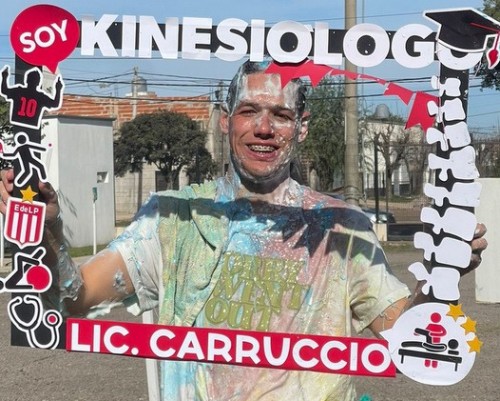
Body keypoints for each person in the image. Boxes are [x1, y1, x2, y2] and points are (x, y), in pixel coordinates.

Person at [0, 61, 487, 401]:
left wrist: (444, 273)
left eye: (281, 115)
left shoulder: (342, 227)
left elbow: (408, 340)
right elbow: (77, 297)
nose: (264, 128)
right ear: (225, 119)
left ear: (301, 126)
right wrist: (46, 233)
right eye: (250, 111)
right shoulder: (174, 218)